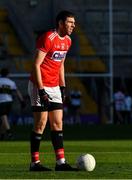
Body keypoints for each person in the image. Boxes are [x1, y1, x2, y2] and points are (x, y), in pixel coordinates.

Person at [28, 10, 77, 171]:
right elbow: (36, 65)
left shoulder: (68, 41)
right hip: (39, 84)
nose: (73, 25)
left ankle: (61, 163)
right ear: (61, 23)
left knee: (57, 123)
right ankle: (34, 163)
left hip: (55, 86)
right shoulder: (48, 38)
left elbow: (61, 64)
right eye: (70, 22)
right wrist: (41, 90)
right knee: (41, 124)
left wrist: (62, 86)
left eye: (74, 23)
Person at [0, 68, 25, 140]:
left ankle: (9, 133)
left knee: (3, 117)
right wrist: (22, 101)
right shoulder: (11, 82)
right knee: (4, 119)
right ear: (8, 74)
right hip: (9, 102)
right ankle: (2, 135)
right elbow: (17, 92)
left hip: (1, 101)